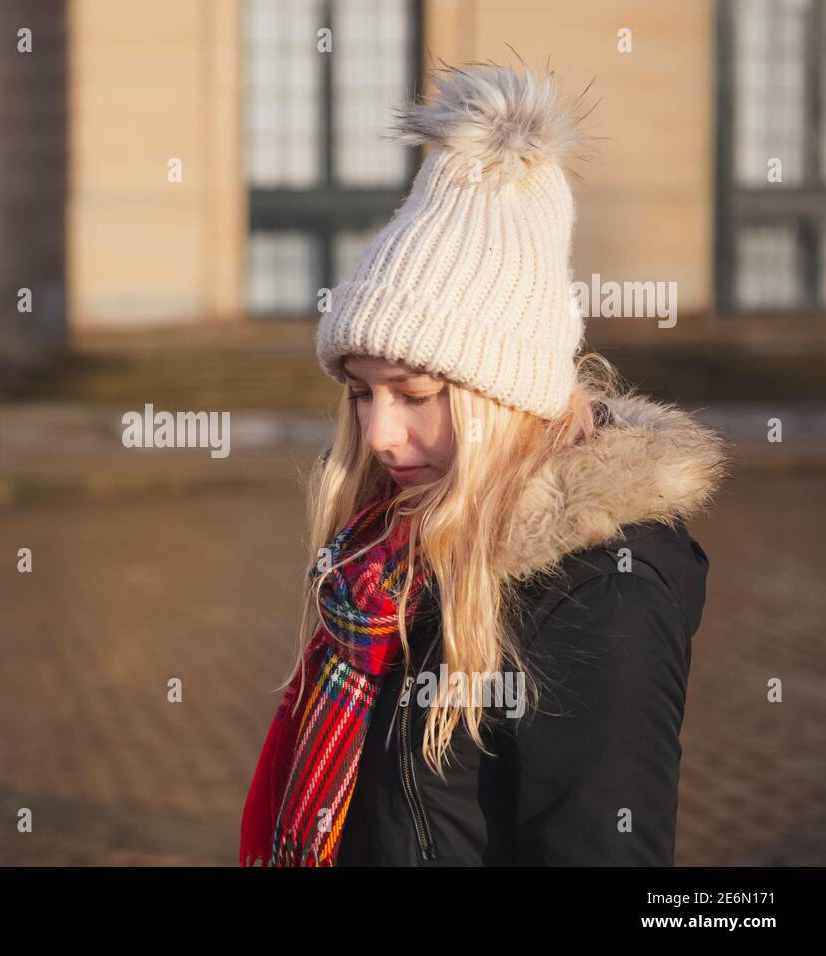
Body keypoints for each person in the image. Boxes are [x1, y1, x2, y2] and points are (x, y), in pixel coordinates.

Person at [239, 60, 731, 867]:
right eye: (363, 395)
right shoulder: (393, 555)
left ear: (502, 395)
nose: (382, 435)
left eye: (417, 393)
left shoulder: (601, 594)